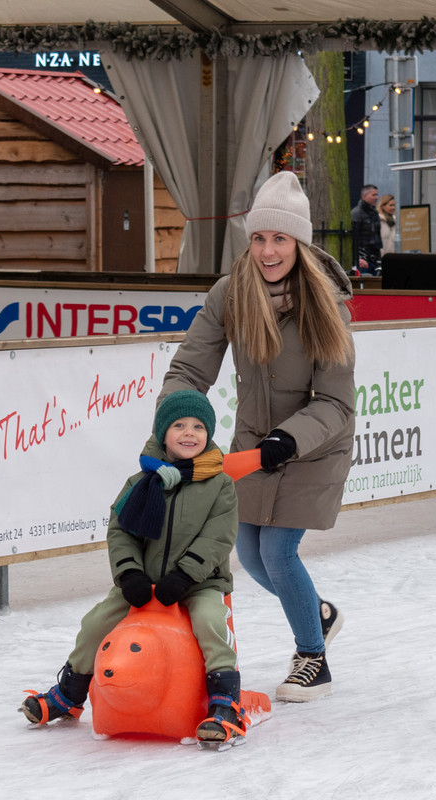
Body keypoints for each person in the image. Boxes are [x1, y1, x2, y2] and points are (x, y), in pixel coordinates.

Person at [161, 170, 355, 702]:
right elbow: (190, 368)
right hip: (253, 446)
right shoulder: (231, 293)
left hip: (313, 446)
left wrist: (286, 440)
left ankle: (313, 657)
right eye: (260, 238)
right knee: (249, 555)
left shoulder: (325, 304)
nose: (268, 251)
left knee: (278, 552)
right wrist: (174, 419)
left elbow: (336, 402)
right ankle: (317, 612)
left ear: (299, 244)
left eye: (280, 239)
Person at [20, 390, 246, 746]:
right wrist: (129, 574)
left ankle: (225, 703)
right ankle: (70, 693)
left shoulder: (220, 485)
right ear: (162, 433)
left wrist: (186, 575)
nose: (189, 433)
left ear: (209, 434)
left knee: (210, 621)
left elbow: (218, 537)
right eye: (179, 425)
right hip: (144, 581)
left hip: (200, 582)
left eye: (198, 426)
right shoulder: (140, 482)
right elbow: (121, 531)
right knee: (95, 622)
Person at [351, 183, 382, 274]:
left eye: (377, 195)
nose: (376, 197)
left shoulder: (374, 213)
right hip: (363, 260)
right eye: (373, 195)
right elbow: (353, 238)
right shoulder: (357, 213)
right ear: (365, 195)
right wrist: (358, 258)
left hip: (374, 259)